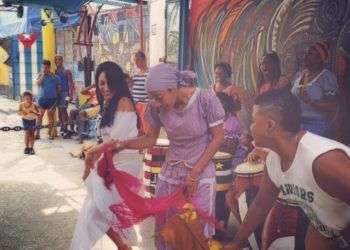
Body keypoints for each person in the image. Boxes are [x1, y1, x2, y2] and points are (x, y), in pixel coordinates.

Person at [108, 63, 225, 249]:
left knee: (195, 230)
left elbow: (219, 136)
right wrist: (122, 144)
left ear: (173, 88)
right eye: (153, 98)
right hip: (170, 175)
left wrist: (195, 172)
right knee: (167, 229)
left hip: (200, 175)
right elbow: (149, 139)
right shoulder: (156, 106)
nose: (157, 103)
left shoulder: (205, 100)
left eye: (160, 97)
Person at [224, 89, 350, 250]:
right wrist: (236, 243)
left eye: (253, 121)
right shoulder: (274, 160)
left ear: (270, 125)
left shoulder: (321, 160)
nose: (250, 127)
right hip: (326, 227)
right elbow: (261, 205)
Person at [70, 61, 143, 250]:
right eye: (101, 83)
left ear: (118, 82)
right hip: (110, 162)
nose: (105, 87)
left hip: (124, 164)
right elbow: (107, 140)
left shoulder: (124, 102)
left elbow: (116, 142)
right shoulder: (110, 104)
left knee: (97, 209)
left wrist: (91, 156)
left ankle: (122, 244)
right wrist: (93, 157)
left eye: (109, 82)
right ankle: (122, 245)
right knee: (95, 210)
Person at [291, 42, 338, 137]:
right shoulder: (299, 75)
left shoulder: (326, 77)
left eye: (310, 54)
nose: (306, 56)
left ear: (320, 59)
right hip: (297, 125)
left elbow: (333, 106)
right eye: (306, 53)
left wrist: (311, 102)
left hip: (317, 126)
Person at [35, 60, 61, 140]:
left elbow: (59, 88)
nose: (44, 69)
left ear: (49, 67)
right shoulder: (40, 75)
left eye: (46, 67)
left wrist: (54, 94)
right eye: (43, 67)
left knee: (50, 116)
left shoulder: (55, 77)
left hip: (52, 100)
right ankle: (37, 134)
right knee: (40, 116)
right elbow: (38, 84)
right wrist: (42, 75)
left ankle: (50, 133)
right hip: (42, 99)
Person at [54, 54, 74, 136]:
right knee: (59, 110)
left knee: (64, 110)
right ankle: (62, 128)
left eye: (59, 59)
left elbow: (71, 84)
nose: (58, 61)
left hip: (65, 93)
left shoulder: (67, 71)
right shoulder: (54, 71)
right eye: (56, 59)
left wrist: (71, 95)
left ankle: (65, 128)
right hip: (57, 94)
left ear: (62, 61)